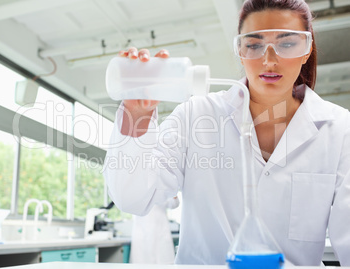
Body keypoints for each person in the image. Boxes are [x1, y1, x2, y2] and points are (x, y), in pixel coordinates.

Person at [103, 0, 350, 266]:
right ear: (241, 51)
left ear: (307, 49)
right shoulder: (196, 115)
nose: (269, 60)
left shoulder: (339, 129)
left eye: (287, 44)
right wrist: (136, 117)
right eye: (254, 45)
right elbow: (133, 199)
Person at [130, 196, 179, 264]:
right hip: (142, 232)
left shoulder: (162, 186)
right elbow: (129, 205)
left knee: (164, 263)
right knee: (142, 263)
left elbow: (174, 204)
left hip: (161, 231)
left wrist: (173, 193)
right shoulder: (135, 189)